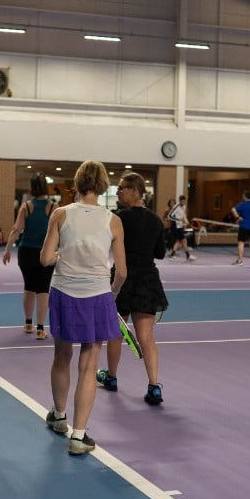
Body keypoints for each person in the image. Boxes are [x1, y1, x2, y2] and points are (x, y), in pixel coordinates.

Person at [41, 160, 127, 456]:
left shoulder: (61, 214)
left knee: (62, 355)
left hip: (64, 292)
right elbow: (123, 272)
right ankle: (79, 436)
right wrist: (110, 295)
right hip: (98, 295)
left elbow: (44, 258)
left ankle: (59, 416)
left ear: (76, 184)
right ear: (103, 185)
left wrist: (63, 253)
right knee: (89, 364)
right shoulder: (113, 220)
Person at [97, 172, 168, 404]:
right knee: (146, 336)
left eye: (122, 188)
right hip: (147, 279)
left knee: (116, 333)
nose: (118, 192)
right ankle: (154, 385)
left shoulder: (119, 218)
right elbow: (160, 253)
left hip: (123, 278)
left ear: (136, 192)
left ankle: (112, 377)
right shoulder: (156, 220)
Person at [2, 172, 56, 340]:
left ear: (32, 188)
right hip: (45, 252)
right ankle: (40, 328)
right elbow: (60, 231)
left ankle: (28, 323)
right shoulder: (53, 207)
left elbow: (16, 229)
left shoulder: (26, 206)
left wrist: (7, 249)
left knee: (29, 286)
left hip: (26, 253)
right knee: (43, 289)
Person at [168, 195, 197, 261]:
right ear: (180, 201)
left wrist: (187, 222)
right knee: (183, 240)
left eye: (184, 201)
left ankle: (173, 255)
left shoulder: (184, 206)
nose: (183, 202)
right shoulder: (176, 207)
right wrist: (178, 219)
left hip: (180, 226)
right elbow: (169, 216)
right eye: (182, 201)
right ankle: (187, 255)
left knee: (179, 241)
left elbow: (184, 215)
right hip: (175, 226)